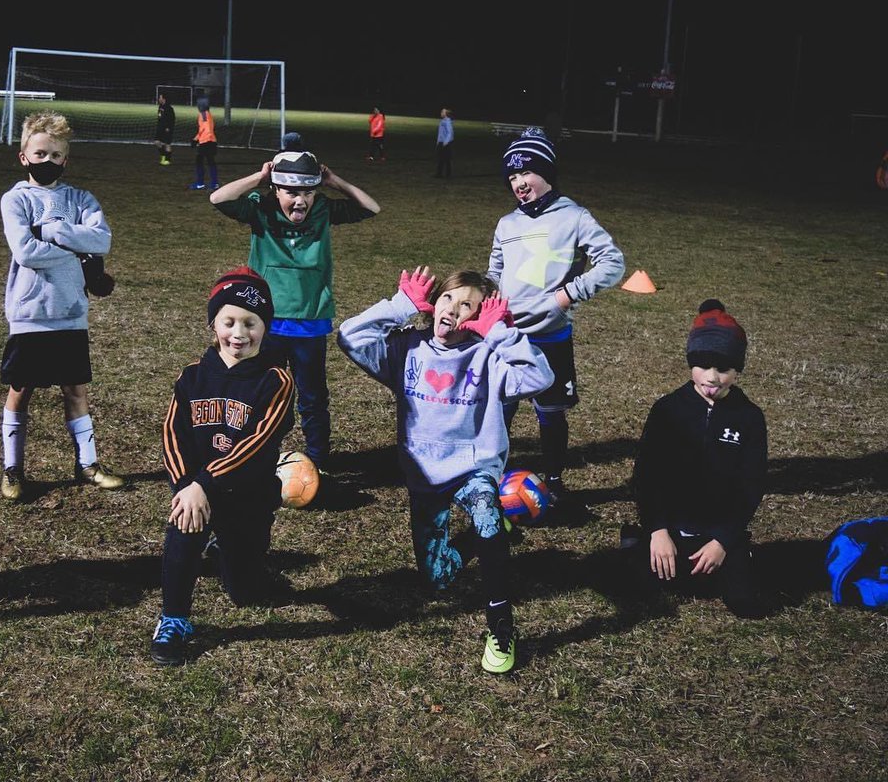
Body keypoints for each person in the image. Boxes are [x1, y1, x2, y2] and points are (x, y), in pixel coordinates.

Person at [337, 267, 555, 672]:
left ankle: (501, 628)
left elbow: (540, 377)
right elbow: (349, 337)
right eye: (448, 299)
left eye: (467, 305)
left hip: (473, 468)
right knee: (438, 578)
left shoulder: (488, 354)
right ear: (433, 304)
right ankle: (484, 537)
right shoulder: (406, 350)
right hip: (424, 474)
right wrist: (401, 305)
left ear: (479, 317)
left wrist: (500, 335)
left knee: (487, 512)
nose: (453, 309)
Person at [151, 266, 295, 666]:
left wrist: (204, 483)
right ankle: (174, 618)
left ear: (265, 328)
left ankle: (232, 553)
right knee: (184, 523)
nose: (239, 333)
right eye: (228, 321)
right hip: (197, 493)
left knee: (246, 594)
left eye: (251, 323)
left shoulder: (276, 380)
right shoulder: (192, 376)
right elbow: (172, 433)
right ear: (213, 324)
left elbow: (256, 444)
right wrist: (186, 485)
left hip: (248, 495)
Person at [209, 147, 381, 471]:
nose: (300, 201)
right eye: (291, 192)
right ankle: (257, 456)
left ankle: (318, 462)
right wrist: (259, 177)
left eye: (308, 192)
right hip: (266, 322)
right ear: (275, 189)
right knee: (263, 394)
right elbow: (218, 198)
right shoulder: (260, 207)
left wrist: (333, 181)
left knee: (313, 398)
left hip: (309, 324)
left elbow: (372, 207)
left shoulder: (324, 211)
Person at [487, 127, 625, 511]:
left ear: (546, 171)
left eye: (525, 173)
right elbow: (495, 271)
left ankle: (554, 480)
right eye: (511, 177)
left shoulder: (575, 217)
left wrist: (567, 294)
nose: (518, 183)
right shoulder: (507, 224)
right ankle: (490, 476)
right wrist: (484, 296)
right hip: (508, 337)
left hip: (550, 338)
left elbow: (613, 263)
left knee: (551, 413)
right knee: (499, 411)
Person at [0, 109, 124, 502]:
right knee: (21, 391)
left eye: (55, 156)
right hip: (30, 313)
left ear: (65, 160)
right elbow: (26, 251)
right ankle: (13, 470)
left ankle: (88, 464)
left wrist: (53, 231)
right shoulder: (15, 199)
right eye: (40, 154)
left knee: (76, 390)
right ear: (24, 157)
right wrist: (75, 251)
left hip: (70, 311)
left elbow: (101, 242)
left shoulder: (80, 199)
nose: (47, 162)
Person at [625, 300, 769, 618]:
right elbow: (646, 476)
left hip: (717, 534)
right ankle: (643, 546)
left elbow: (751, 485)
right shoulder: (667, 410)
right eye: (703, 365)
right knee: (633, 587)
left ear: (738, 370)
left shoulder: (750, 417)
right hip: (671, 530)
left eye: (724, 369)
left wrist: (724, 540)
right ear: (691, 362)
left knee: (746, 603)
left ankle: (731, 556)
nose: (713, 377)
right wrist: (657, 530)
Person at [189, 96, 218, 190]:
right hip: (210, 141)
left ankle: (200, 183)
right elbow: (205, 129)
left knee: (200, 162)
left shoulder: (203, 114)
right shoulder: (207, 114)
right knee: (210, 162)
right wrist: (196, 139)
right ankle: (214, 183)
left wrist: (197, 139)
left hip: (206, 141)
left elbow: (205, 129)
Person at [154, 92, 175, 166]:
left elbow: (172, 119)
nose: (159, 99)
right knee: (157, 142)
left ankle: (167, 160)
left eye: (160, 97)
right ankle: (163, 156)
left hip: (167, 129)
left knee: (167, 144)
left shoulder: (169, 108)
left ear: (164, 99)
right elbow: (160, 117)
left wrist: (168, 128)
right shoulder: (160, 107)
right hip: (160, 128)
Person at [436, 108, 454, 178]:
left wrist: (446, 142)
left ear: (446, 114)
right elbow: (440, 133)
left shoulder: (447, 122)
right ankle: (439, 174)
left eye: (442, 112)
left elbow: (450, 133)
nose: (441, 113)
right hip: (441, 142)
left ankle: (448, 175)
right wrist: (438, 141)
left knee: (447, 159)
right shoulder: (443, 121)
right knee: (440, 159)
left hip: (446, 143)